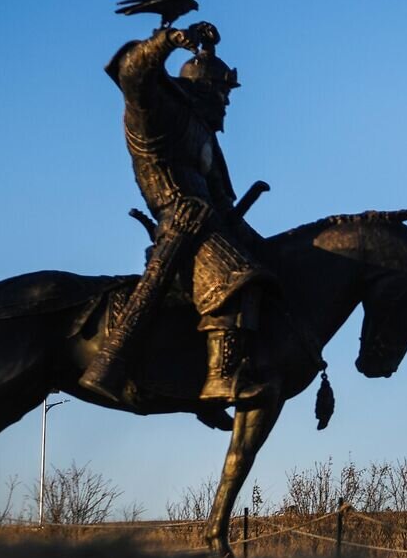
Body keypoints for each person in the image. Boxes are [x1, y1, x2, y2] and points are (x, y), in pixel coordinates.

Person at [79, 21, 275, 405]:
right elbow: (133, 74)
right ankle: (221, 378)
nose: (226, 101)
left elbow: (221, 201)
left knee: (261, 265)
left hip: (208, 222)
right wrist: (167, 40)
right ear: (200, 89)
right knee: (235, 275)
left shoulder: (205, 138)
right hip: (178, 221)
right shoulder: (157, 114)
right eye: (221, 91)